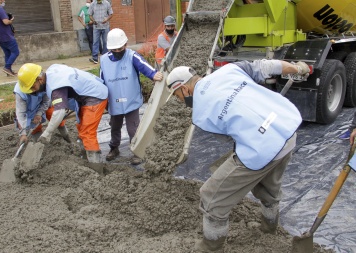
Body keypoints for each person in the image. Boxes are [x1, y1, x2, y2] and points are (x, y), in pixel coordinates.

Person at [166, 60, 311, 252]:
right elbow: (267, 66)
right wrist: (297, 68)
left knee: (211, 196)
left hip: (263, 147)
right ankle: (269, 229)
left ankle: (210, 247)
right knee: (269, 184)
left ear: (183, 89)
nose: (179, 100)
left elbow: (230, 135)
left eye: (177, 96)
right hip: (287, 127)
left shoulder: (199, 114)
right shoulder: (229, 70)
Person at [17, 63, 108, 172]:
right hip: (85, 95)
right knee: (81, 127)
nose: (32, 91)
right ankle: (86, 156)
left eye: (33, 87)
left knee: (88, 133)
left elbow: (59, 112)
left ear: (40, 79)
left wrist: (46, 134)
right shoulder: (51, 70)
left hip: (95, 96)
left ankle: (97, 169)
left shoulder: (56, 87)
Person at [100, 28, 163, 165]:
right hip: (114, 101)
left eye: (120, 48)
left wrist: (153, 74)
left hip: (131, 99)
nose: (117, 52)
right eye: (114, 49)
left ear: (125, 45)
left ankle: (137, 151)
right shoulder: (104, 60)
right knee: (114, 126)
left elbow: (144, 66)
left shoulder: (131, 56)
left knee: (133, 128)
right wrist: (102, 99)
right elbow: (102, 80)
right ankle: (114, 148)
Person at [0, 0, 20, 77]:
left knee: (8, 53)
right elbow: (5, 22)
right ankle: (7, 67)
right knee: (15, 52)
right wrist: (11, 20)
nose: (4, 1)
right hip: (6, 36)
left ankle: (9, 71)